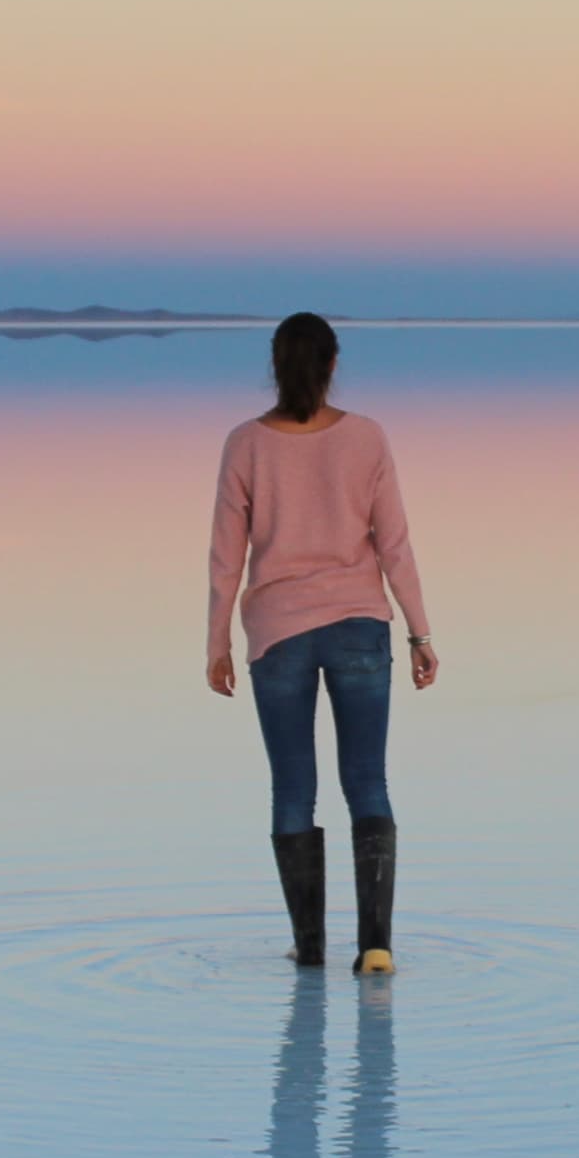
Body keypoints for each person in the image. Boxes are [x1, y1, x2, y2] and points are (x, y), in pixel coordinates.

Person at [206, 312, 437, 971]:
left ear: (276, 367)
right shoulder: (367, 438)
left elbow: (226, 557)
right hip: (362, 624)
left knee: (291, 788)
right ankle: (376, 947)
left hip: (277, 634)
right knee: (367, 779)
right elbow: (394, 545)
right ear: (333, 365)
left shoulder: (244, 443)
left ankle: (310, 950)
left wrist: (217, 642)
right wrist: (419, 630)